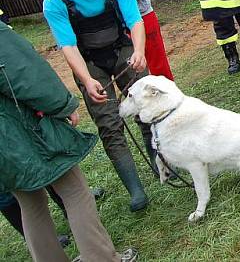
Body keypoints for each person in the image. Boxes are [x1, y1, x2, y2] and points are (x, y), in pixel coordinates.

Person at [1, 20, 138, 261]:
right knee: (75, 191)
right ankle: (102, 258)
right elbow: (27, 74)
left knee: (31, 204)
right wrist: (62, 105)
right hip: (21, 132)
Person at [42, 0, 152, 212]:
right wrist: (87, 80)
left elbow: (134, 20)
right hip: (89, 62)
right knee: (109, 124)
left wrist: (139, 50)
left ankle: (162, 165)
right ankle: (135, 189)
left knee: (148, 108)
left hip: (122, 49)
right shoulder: (55, 1)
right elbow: (67, 45)